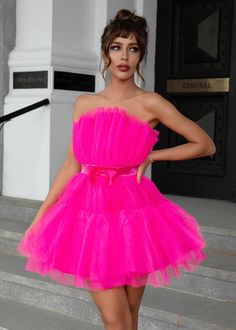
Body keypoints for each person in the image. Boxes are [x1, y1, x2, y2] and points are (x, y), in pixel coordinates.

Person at [17, 9, 216, 330]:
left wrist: (152, 157)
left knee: (128, 320)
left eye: (133, 48)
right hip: (89, 213)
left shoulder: (150, 103)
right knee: (117, 321)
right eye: (116, 47)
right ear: (104, 53)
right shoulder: (84, 104)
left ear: (141, 56)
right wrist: (40, 218)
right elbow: (71, 164)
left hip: (135, 213)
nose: (124, 56)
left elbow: (205, 144)